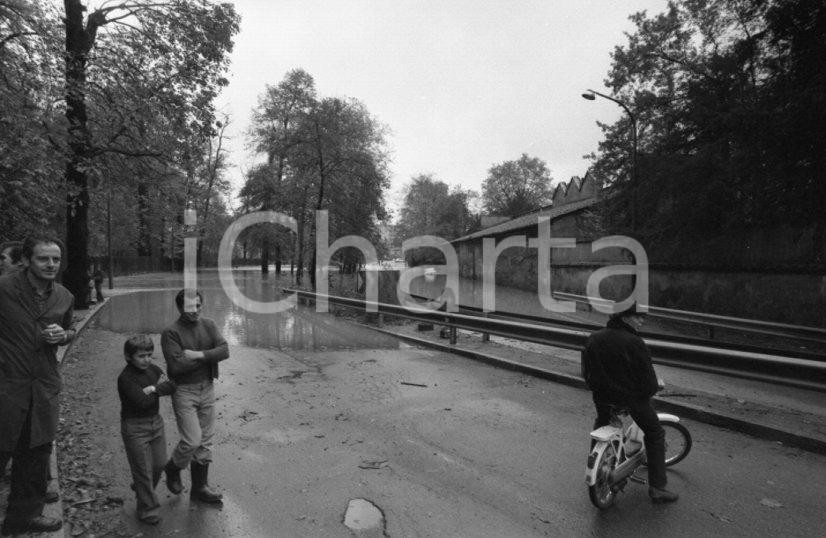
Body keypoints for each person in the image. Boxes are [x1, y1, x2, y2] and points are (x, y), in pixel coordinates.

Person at [0, 234, 76, 535]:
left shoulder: (64, 296)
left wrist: (64, 335)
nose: (51, 264)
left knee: (36, 454)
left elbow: (70, 328)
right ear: (28, 260)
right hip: (7, 385)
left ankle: (23, 517)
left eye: (56, 259)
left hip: (44, 386)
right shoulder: (4, 288)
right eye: (44, 258)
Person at [581, 303, 679, 504]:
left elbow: (586, 372)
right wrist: (649, 392)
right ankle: (658, 488)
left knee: (601, 423)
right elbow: (648, 381)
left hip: (602, 397)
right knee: (655, 433)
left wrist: (599, 389)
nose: (642, 321)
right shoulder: (635, 342)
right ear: (624, 318)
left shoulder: (594, 338)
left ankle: (599, 467)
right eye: (638, 317)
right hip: (630, 399)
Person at [161, 289, 229, 504]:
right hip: (184, 391)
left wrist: (198, 355)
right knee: (192, 440)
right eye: (190, 307)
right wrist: (210, 356)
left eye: (198, 305)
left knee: (205, 441)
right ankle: (173, 468)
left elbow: (225, 350)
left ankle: (199, 488)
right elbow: (177, 366)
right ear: (180, 308)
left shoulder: (208, 324)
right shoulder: (171, 332)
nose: (195, 311)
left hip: (207, 387)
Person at [117, 335, 176, 525]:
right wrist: (158, 389)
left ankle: (142, 489)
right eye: (141, 356)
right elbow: (141, 403)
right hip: (134, 427)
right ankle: (147, 510)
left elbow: (172, 385)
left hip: (156, 423)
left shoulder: (154, 369)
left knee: (159, 464)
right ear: (129, 357)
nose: (147, 359)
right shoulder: (126, 378)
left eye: (149, 355)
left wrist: (152, 389)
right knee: (142, 470)